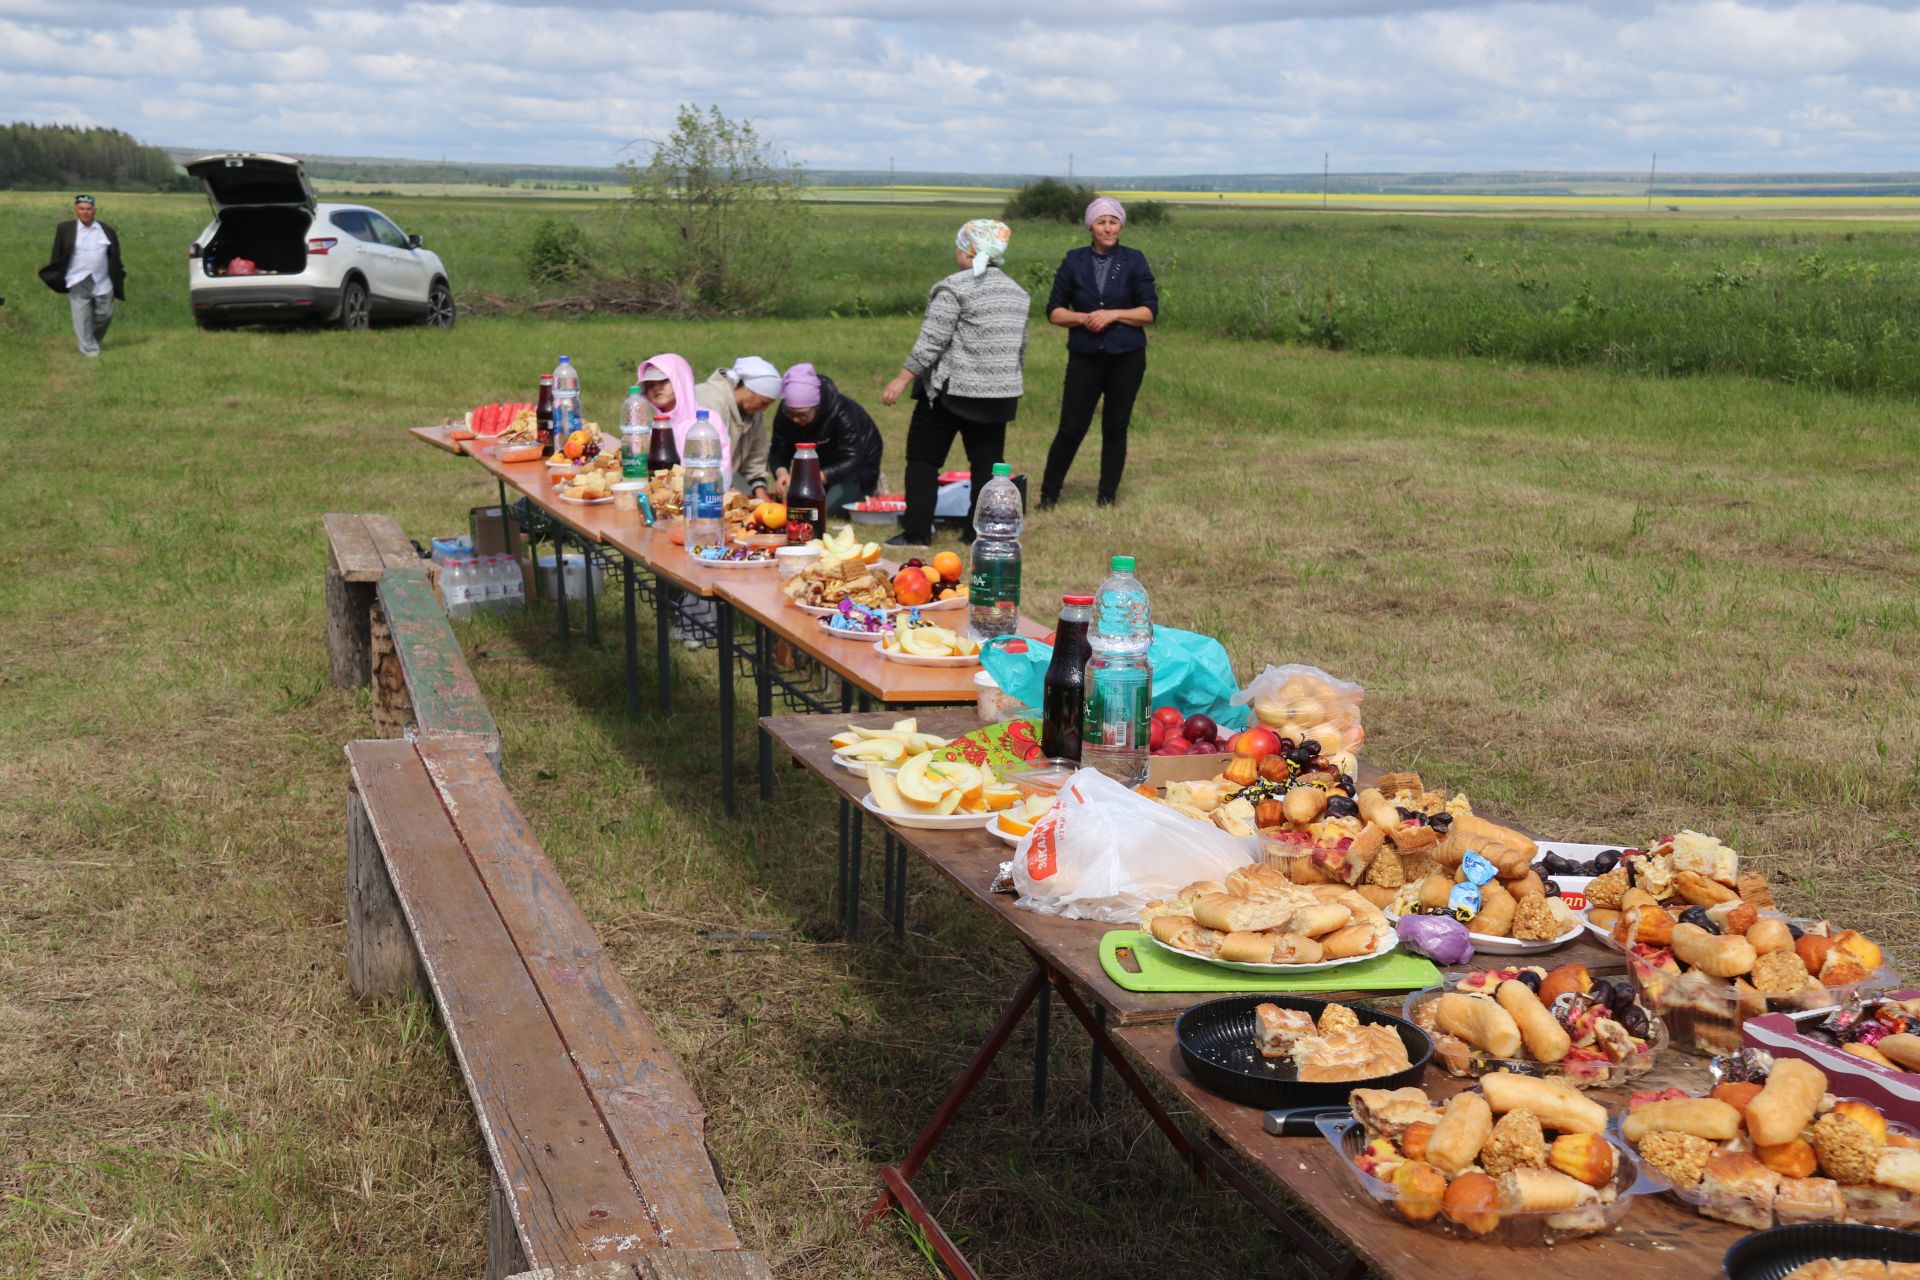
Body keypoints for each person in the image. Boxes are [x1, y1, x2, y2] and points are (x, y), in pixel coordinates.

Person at [881, 219, 1030, 545]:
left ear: (968, 250)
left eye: (959, 246)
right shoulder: (1018, 293)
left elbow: (932, 341)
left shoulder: (954, 287)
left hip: (952, 393)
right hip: (999, 395)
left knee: (923, 459)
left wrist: (902, 378)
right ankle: (977, 534)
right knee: (987, 468)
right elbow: (1020, 348)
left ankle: (917, 532)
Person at [1039, 196, 1158, 509]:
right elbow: (1054, 311)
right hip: (1085, 356)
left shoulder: (1134, 260)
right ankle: (1049, 495)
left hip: (1127, 356)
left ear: (1121, 225)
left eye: (1113, 222)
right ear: (1090, 226)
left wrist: (1114, 315)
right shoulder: (1073, 261)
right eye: (1101, 222)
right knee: (1071, 426)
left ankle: (1107, 496)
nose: (1108, 228)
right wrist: (1083, 318)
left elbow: (1148, 312)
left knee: (1115, 426)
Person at [769, 363, 883, 517]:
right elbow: (778, 448)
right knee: (799, 508)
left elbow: (854, 458)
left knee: (820, 511)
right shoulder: (786, 412)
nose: (795, 420)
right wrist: (781, 472)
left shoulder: (843, 413)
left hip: (855, 470)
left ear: (817, 406)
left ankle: (870, 490)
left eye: (802, 415)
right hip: (817, 467)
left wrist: (818, 477)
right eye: (791, 414)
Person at [39, 195, 126, 358]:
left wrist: (119, 274)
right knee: (81, 318)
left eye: (88, 209)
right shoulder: (65, 229)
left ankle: (91, 340)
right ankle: (90, 351)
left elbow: (115, 256)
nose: (85, 212)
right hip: (77, 278)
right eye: (81, 209)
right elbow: (57, 254)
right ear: (76, 210)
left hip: (103, 280)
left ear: (94, 210)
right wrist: (56, 274)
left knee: (105, 315)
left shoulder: (106, 230)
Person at [693, 357, 780, 500]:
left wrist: (760, 492)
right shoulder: (710, 401)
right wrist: (726, 488)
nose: (764, 409)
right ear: (749, 389)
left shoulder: (753, 412)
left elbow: (756, 455)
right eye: (763, 402)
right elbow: (701, 456)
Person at [636, 352, 726, 478]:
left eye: (663, 381)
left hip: (705, 492)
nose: (656, 388)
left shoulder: (709, 419)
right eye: (650, 385)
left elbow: (723, 464)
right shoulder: (652, 430)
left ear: (680, 379)